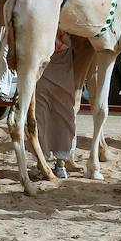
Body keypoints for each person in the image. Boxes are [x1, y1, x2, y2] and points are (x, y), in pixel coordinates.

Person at [34, 31, 78, 178]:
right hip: (57, 59)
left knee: (42, 114)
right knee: (60, 113)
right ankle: (58, 164)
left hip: (43, 55)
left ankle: (45, 163)